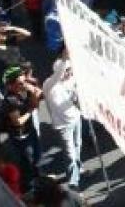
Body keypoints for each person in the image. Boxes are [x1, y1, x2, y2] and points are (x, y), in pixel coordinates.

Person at [1, 65, 42, 193]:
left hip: (30, 131)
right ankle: (29, 188)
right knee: (27, 163)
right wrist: (30, 111)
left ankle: (37, 180)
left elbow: (37, 103)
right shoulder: (10, 100)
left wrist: (34, 93)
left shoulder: (23, 91)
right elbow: (17, 122)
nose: (23, 84)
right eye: (20, 83)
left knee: (36, 157)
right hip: (21, 138)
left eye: (24, 81)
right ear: (10, 85)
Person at [43, 58, 82, 189]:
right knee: (70, 154)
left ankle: (79, 168)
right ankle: (73, 181)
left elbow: (76, 97)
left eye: (70, 70)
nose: (69, 73)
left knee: (77, 146)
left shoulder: (72, 80)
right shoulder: (49, 84)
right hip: (63, 126)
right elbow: (60, 73)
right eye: (67, 71)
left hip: (76, 119)